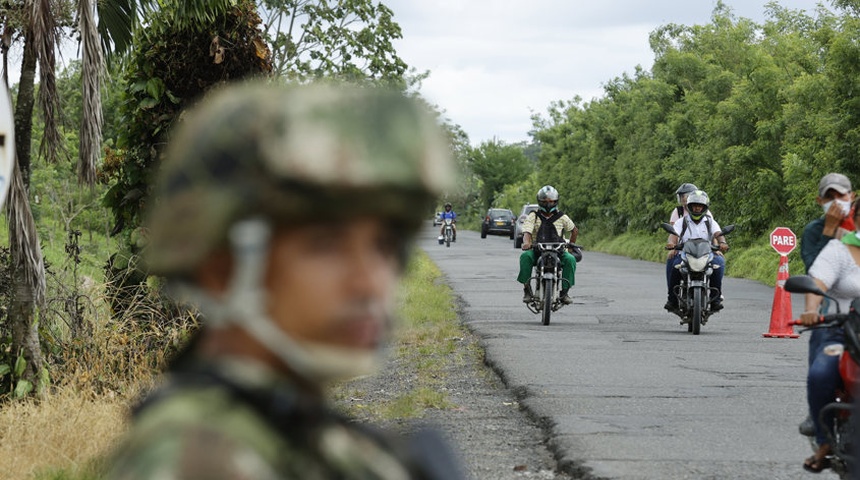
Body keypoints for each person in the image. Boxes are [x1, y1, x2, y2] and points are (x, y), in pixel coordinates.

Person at [106, 81, 465, 479]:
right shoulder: (199, 459)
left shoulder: (284, 426)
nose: (370, 284)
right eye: (325, 245)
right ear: (222, 269)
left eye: (383, 245)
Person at [798, 198, 860, 473]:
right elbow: (816, 284)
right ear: (855, 217)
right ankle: (825, 442)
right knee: (821, 373)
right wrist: (812, 310)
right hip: (841, 330)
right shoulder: (838, 250)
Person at [664, 190, 730, 312]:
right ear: (689, 207)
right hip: (685, 254)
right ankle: (672, 299)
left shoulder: (710, 221)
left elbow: (718, 234)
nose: (697, 209)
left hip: (707, 254)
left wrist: (722, 243)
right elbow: (673, 235)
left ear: (704, 207)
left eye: (700, 206)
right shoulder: (681, 221)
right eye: (694, 206)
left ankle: (715, 299)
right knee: (673, 264)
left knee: (719, 262)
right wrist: (672, 244)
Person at [517, 185, 578, 305]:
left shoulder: (562, 217)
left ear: (556, 202)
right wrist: (527, 243)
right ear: (540, 202)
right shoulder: (533, 216)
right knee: (525, 257)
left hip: (558, 251)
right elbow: (527, 232)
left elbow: (574, 230)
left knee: (570, 259)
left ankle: (565, 292)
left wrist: (570, 246)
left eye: (551, 201)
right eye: (545, 202)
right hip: (537, 250)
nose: (548, 204)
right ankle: (527, 289)